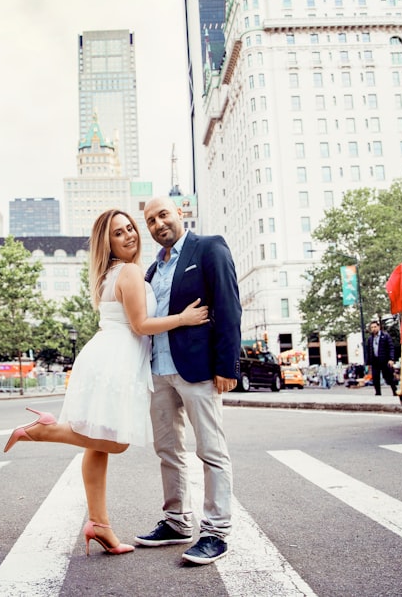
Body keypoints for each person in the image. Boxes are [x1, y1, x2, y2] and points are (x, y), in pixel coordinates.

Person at [3, 208, 208, 556]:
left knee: (97, 447)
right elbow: (141, 325)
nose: (129, 235)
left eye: (130, 228)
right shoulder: (128, 271)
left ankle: (100, 526)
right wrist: (183, 318)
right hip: (116, 361)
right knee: (115, 442)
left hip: (106, 356)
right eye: (118, 233)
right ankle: (43, 430)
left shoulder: (111, 273)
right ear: (107, 243)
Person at [134, 196, 242, 566]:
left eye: (163, 215)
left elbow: (229, 305)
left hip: (197, 370)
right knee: (168, 451)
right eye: (150, 220)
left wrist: (227, 366)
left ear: (180, 213)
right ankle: (177, 520)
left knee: (211, 450)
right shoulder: (151, 270)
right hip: (159, 371)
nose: (158, 224)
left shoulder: (209, 248)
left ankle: (215, 532)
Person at [365, 321, 396, 395]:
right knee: (375, 378)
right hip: (375, 361)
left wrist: (391, 359)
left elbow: (391, 347)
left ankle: (395, 391)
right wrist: (368, 363)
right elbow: (369, 350)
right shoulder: (370, 339)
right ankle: (378, 393)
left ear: (378, 327)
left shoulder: (385, 336)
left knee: (389, 377)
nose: (373, 329)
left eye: (375, 327)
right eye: (372, 327)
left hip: (384, 360)